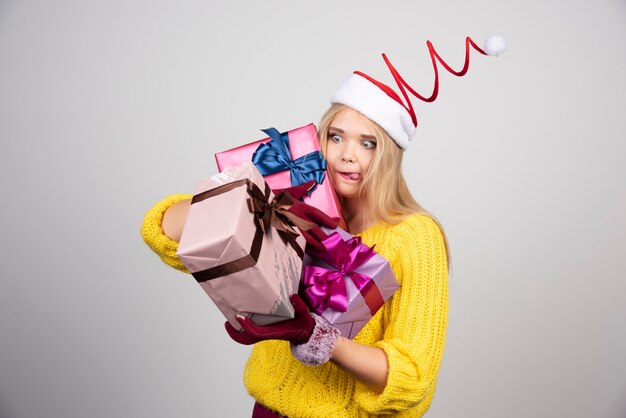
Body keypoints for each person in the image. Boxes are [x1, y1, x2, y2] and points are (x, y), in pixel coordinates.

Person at [141, 36, 503, 417]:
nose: (348, 155)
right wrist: (240, 194)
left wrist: (321, 340)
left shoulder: (414, 236)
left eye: (368, 143)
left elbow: (412, 377)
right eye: (336, 137)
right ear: (320, 142)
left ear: (389, 155)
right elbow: (164, 229)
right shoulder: (296, 212)